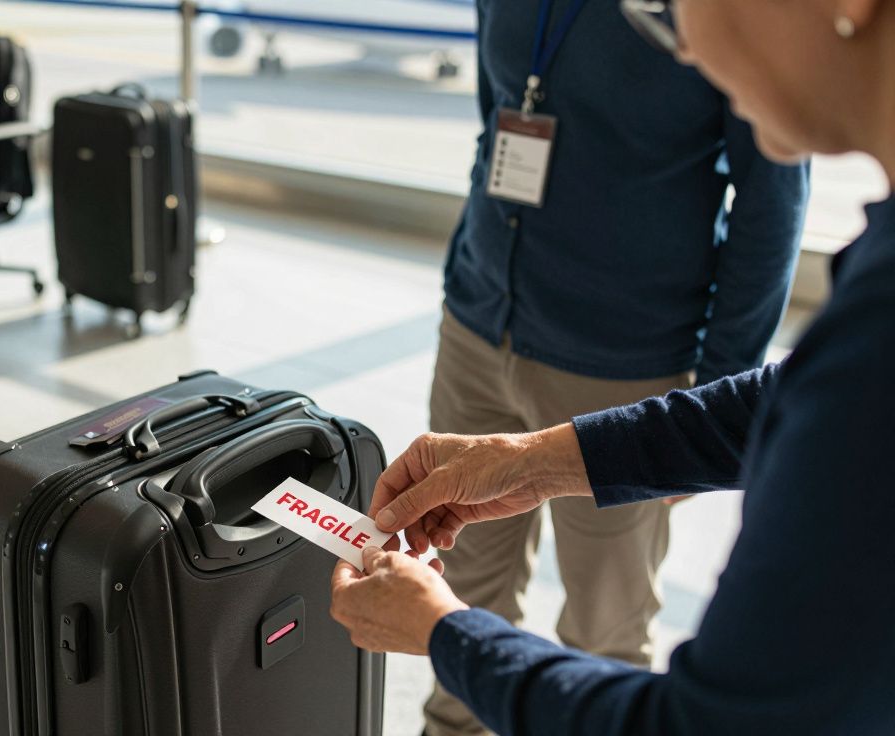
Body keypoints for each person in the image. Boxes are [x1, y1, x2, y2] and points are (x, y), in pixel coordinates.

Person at [330, 0, 895, 732]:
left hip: (631, 343)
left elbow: (700, 723)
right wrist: (534, 460)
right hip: (490, 312)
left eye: (672, 7)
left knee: (606, 622)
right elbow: (788, 395)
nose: (681, 45)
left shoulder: (870, 345)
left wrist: (445, 634)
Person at [424, 0, 809, 731]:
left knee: (604, 625)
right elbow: (502, 109)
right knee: (461, 588)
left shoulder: (708, 14)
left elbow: (772, 206)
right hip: (479, 322)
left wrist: (718, 392)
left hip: (624, 365)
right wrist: (471, 270)